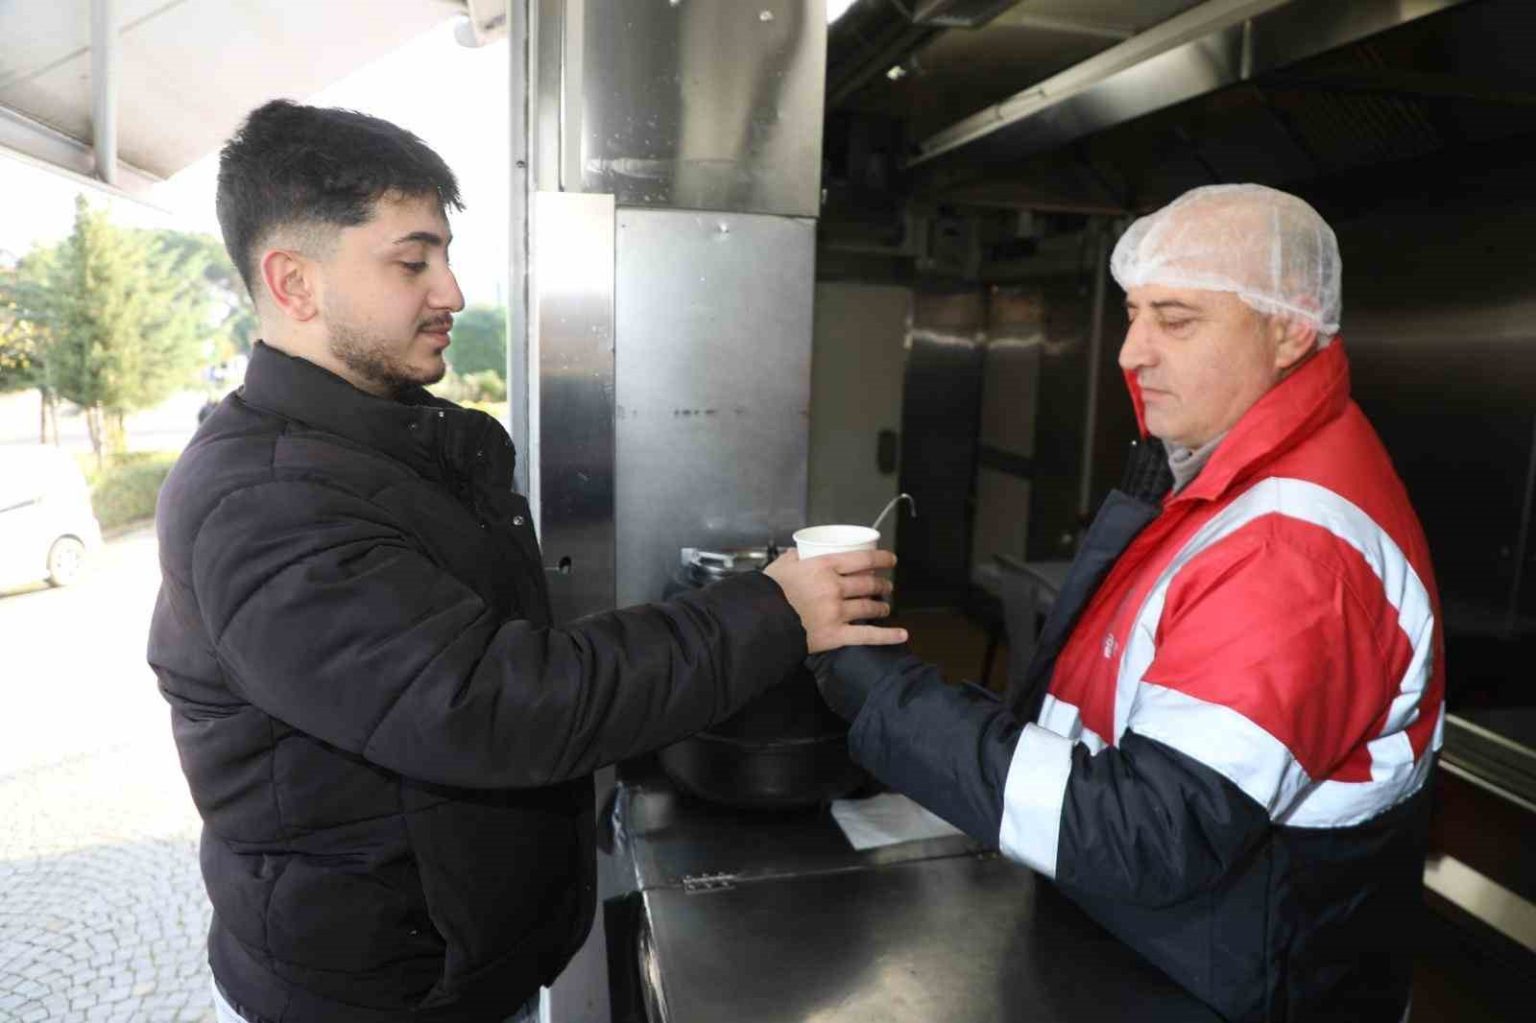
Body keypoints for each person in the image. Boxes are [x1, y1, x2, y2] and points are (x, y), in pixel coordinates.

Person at [146, 99, 906, 1023]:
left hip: (456, 972)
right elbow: (491, 702)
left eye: (446, 256)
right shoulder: (265, 502)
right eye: (412, 262)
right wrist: (773, 611)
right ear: (294, 282)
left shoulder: (390, 452)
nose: (452, 293)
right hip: (375, 998)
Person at [814, 184, 1443, 1022]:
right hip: (1143, 950)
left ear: (1290, 329)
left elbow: (1146, 833)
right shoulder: (1218, 477)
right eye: (1134, 313)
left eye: (1175, 321)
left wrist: (881, 690)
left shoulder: (1293, 549)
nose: (1130, 353)